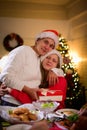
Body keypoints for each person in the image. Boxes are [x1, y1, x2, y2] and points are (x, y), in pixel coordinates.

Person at [0, 29, 63, 106]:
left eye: (51, 46)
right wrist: (28, 90)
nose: (47, 47)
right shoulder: (23, 50)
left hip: (30, 104)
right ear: (37, 40)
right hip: (13, 103)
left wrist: (53, 70)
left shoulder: (41, 58)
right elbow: (6, 76)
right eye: (46, 42)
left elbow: (60, 70)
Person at [0, 50, 67, 109]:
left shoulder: (60, 80)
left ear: (57, 66)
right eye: (47, 57)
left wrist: (11, 90)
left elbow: (37, 99)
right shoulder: (39, 77)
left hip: (56, 116)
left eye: (54, 61)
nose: (50, 61)